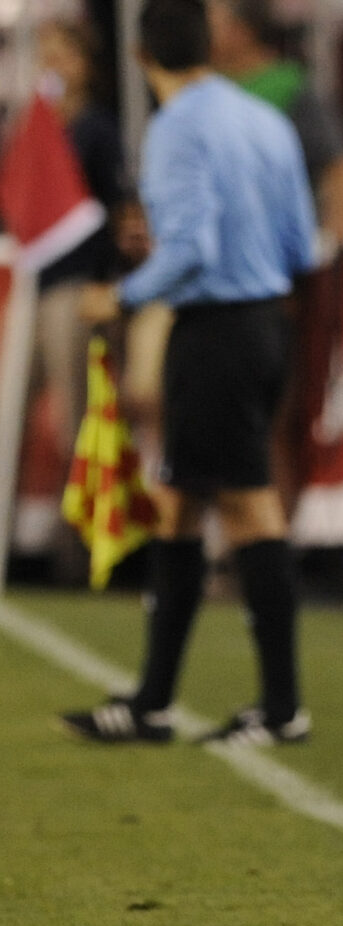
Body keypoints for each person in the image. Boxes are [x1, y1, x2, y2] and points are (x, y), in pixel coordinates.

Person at [60, 0, 317, 747]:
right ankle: (154, 702)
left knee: (246, 510)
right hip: (269, 323)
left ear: (142, 58)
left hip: (216, 333)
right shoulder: (263, 119)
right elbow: (300, 241)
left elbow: (194, 249)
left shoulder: (175, 128)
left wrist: (123, 291)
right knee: (179, 503)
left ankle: (280, 709)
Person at [27, 18, 133, 580]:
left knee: (75, 422)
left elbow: (117, 211)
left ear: (85, 64)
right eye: (47, 55)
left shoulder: (96, 129)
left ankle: (80, 552)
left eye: (62, 55)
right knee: (13, 415)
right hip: (34, 287)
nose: (53, 65)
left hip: (75, 287)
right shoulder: (35, 126)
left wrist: (109, 284)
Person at [207, 0, 343, 247]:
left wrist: (331, 242)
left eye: (210, 22)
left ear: (240, 31)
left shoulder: (287, 89)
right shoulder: (204, 91)